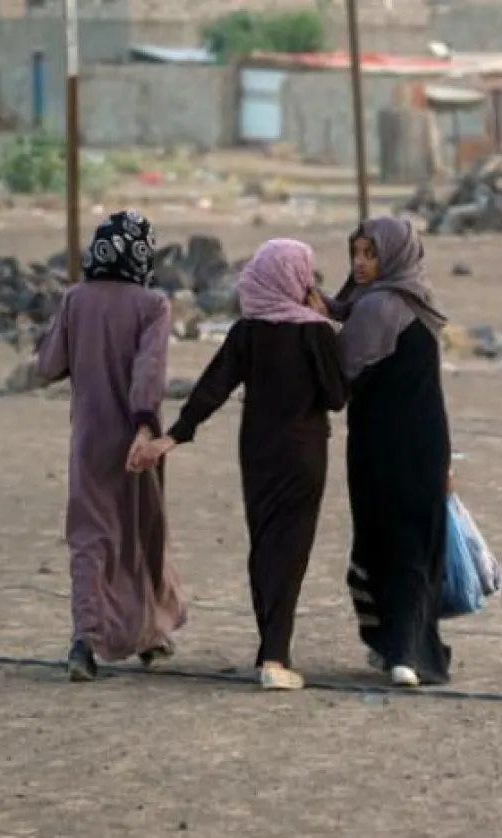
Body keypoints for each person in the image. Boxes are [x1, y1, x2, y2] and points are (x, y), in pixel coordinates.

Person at [129, 239, 348, 691]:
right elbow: (337, 396)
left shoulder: (247, 331)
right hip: (303, 454)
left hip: (257, 454)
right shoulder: (315, 331)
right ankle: (274, 656)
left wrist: (176, 435)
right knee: (291, 550)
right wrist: (327, 326)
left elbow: (212, 388)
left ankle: (270, 649)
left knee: (265, 546)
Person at [33, 209, 188, 682]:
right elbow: (150, 370)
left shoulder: (75, 298)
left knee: (90, 539)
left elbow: (48, 364)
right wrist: (144, 427)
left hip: (88, 442)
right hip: (134, 442)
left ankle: (87, 640)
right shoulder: (152, 304)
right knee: (141, 533)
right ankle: (150, 632)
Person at [323, 217, 453, 687]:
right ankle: (412, 648)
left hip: (382, 447)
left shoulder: (377, 308)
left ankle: (399, 650)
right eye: (356, 253)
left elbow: (340, 376)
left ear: (391, 256)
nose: (360, 263)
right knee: (416, 544)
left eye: (370, 254)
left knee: (387, 542)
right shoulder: (418, 299)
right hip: (427, 443)